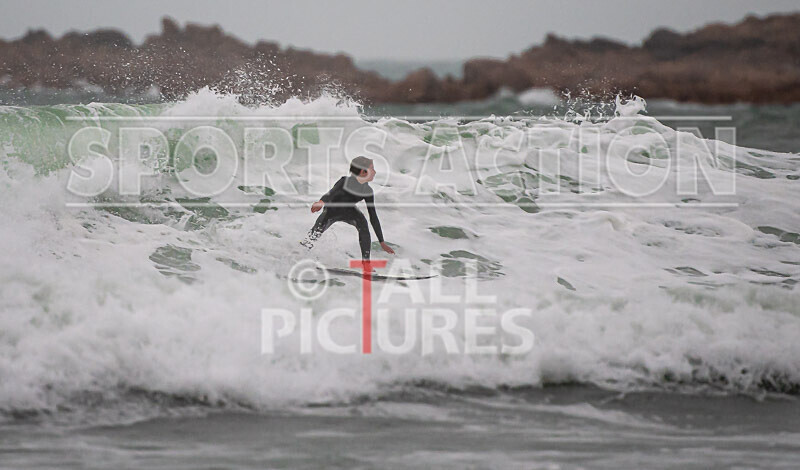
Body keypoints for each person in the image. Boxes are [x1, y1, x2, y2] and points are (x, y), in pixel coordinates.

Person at [301, 156, 395, 261]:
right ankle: (301, 252)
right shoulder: (344, 181)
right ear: (363, 172)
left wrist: (381, 242)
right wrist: (321, 202)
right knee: (316, 231)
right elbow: (331, 193)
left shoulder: (367, 190)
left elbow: (373, 216)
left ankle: (366, 263)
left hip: (350, 211)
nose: (375, 172)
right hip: (332, 210)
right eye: (372, 169)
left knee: (363, 225)